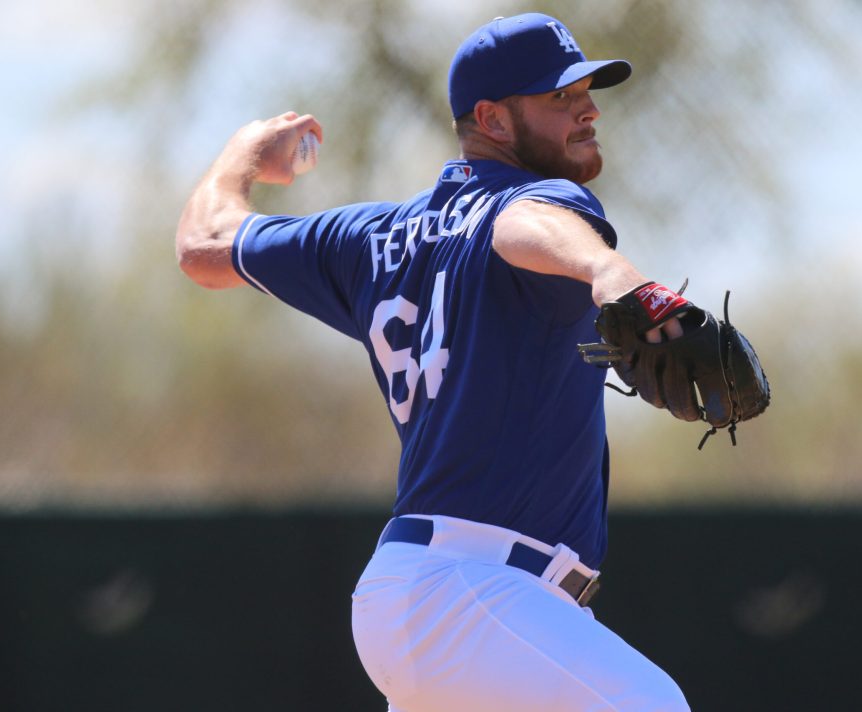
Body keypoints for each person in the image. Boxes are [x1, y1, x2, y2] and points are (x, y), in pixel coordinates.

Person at [176, 12, 690, 711]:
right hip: (479, 590)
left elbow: (205, 245)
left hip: (431, 597)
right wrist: (608, 270)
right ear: (492, 119)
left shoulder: (369, 238)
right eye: (559, 98)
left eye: (586, 93)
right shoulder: (540, 201)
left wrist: (240, 153)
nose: (588, 109)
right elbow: (516, 226)